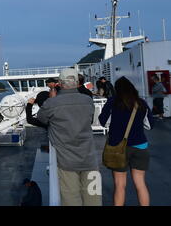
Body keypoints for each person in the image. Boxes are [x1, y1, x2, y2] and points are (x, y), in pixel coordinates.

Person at [37, 68, 101, 206]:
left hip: (66, 160)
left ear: (59, 83)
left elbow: (41, 118)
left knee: (71, 197)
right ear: (77, 82)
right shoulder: (88, 100)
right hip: (89, 157)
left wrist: (52, 99)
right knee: (93, 197)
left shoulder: (52, 103)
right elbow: (89, 121)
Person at [99, 76, 154, 206]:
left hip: (118, 148)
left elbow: (102, 122)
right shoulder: (141, 103)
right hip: (140, 146)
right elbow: (150, 125)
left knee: (119, 185)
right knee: (140, 183)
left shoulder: (112, 102)